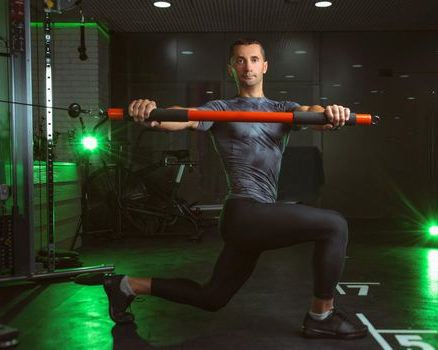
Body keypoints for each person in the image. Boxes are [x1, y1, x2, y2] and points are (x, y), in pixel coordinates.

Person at [103, 38, 368, 340]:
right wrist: (152, 113)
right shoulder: (221, 108)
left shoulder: (282, 109)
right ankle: (321, 316)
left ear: (265, 66)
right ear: (232, 68)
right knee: (334, 225)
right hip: (244, 213)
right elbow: (184, 117)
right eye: (240, 60)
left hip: (258, 216)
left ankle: (126, 286)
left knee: (212, 298)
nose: (248, 66)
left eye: (254, 59)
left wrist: (331, 114)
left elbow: (313, 113)